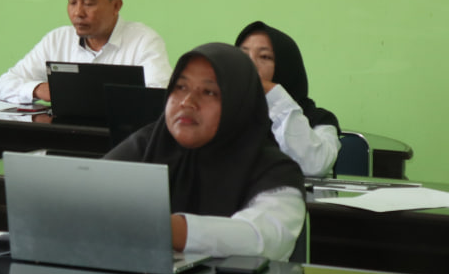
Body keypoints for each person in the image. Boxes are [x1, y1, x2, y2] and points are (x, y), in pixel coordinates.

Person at [105, 43, 306, 261]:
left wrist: (163, 228)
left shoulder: (276, 172)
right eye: (180, 87)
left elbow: (263, 239)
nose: (187, 102)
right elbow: (90, 197)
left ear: (238, 103)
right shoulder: (149, 143)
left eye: (209, 92)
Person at [0, 0, 171, 104]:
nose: (78, 12)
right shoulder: (58, 40)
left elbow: (158, 99)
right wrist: (39, 89)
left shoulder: (144, 41)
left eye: (88, 3)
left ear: (116, 6)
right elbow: (2, 86)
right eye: (72, 3)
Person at [235, 21, 341, 178]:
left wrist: (274, 94)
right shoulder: (229, 115)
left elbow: (315, 166)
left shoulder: (320, 120)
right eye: (243, 56)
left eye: (264, 57)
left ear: (286, 66)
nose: (250, 65)